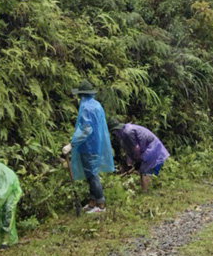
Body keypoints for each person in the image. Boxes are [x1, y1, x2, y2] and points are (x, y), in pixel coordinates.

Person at [62, 79, 114, 213]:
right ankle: (92, 202)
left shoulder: (86, 107)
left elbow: (86, 129)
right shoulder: (96, 105)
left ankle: (101, 205)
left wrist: (71, 145)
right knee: (90, 175)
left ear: (81, 95)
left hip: (88, 146)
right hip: (94, 145)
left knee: (92, 175)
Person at [109, 119, 170, 192]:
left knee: (145, 170)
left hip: (151, 147)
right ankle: (143, 189)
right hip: (144, 149)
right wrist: (130, 163)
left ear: (115, 129)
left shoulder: (128, 132)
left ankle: (144, 191)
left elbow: (136, 148)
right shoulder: (122, 135)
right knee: (142, 170)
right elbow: (128, 149)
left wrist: (138, 160)